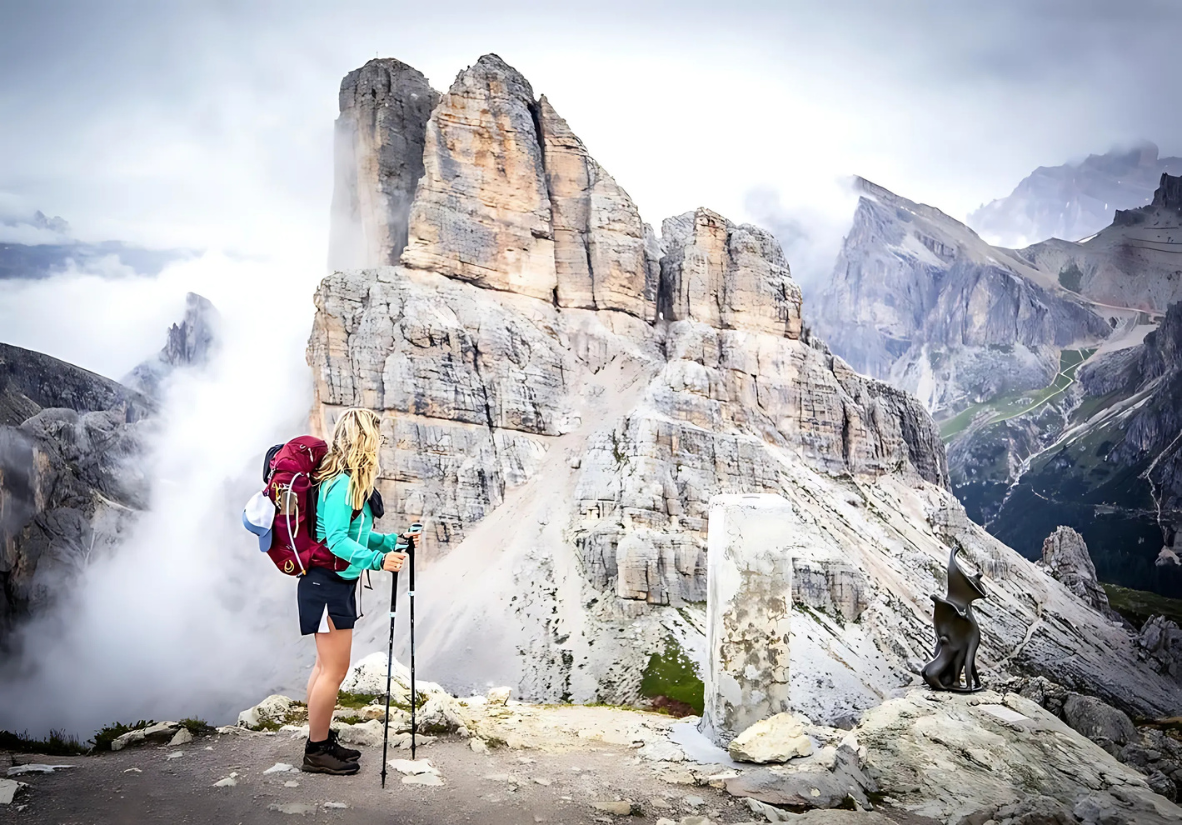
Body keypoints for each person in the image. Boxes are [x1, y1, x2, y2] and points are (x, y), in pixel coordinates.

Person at [297, 407, 408, 775]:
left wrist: (392, 541)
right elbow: (336, 540)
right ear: (364, 441)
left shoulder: (343, 480)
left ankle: (321, 738)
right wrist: (378, 562)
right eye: (375, 438)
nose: (379, 445)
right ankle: (316, 751)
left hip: (330, 584)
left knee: (324, 666)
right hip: (326, 585)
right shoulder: (343, 483)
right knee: (335, 670)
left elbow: (358, 535)